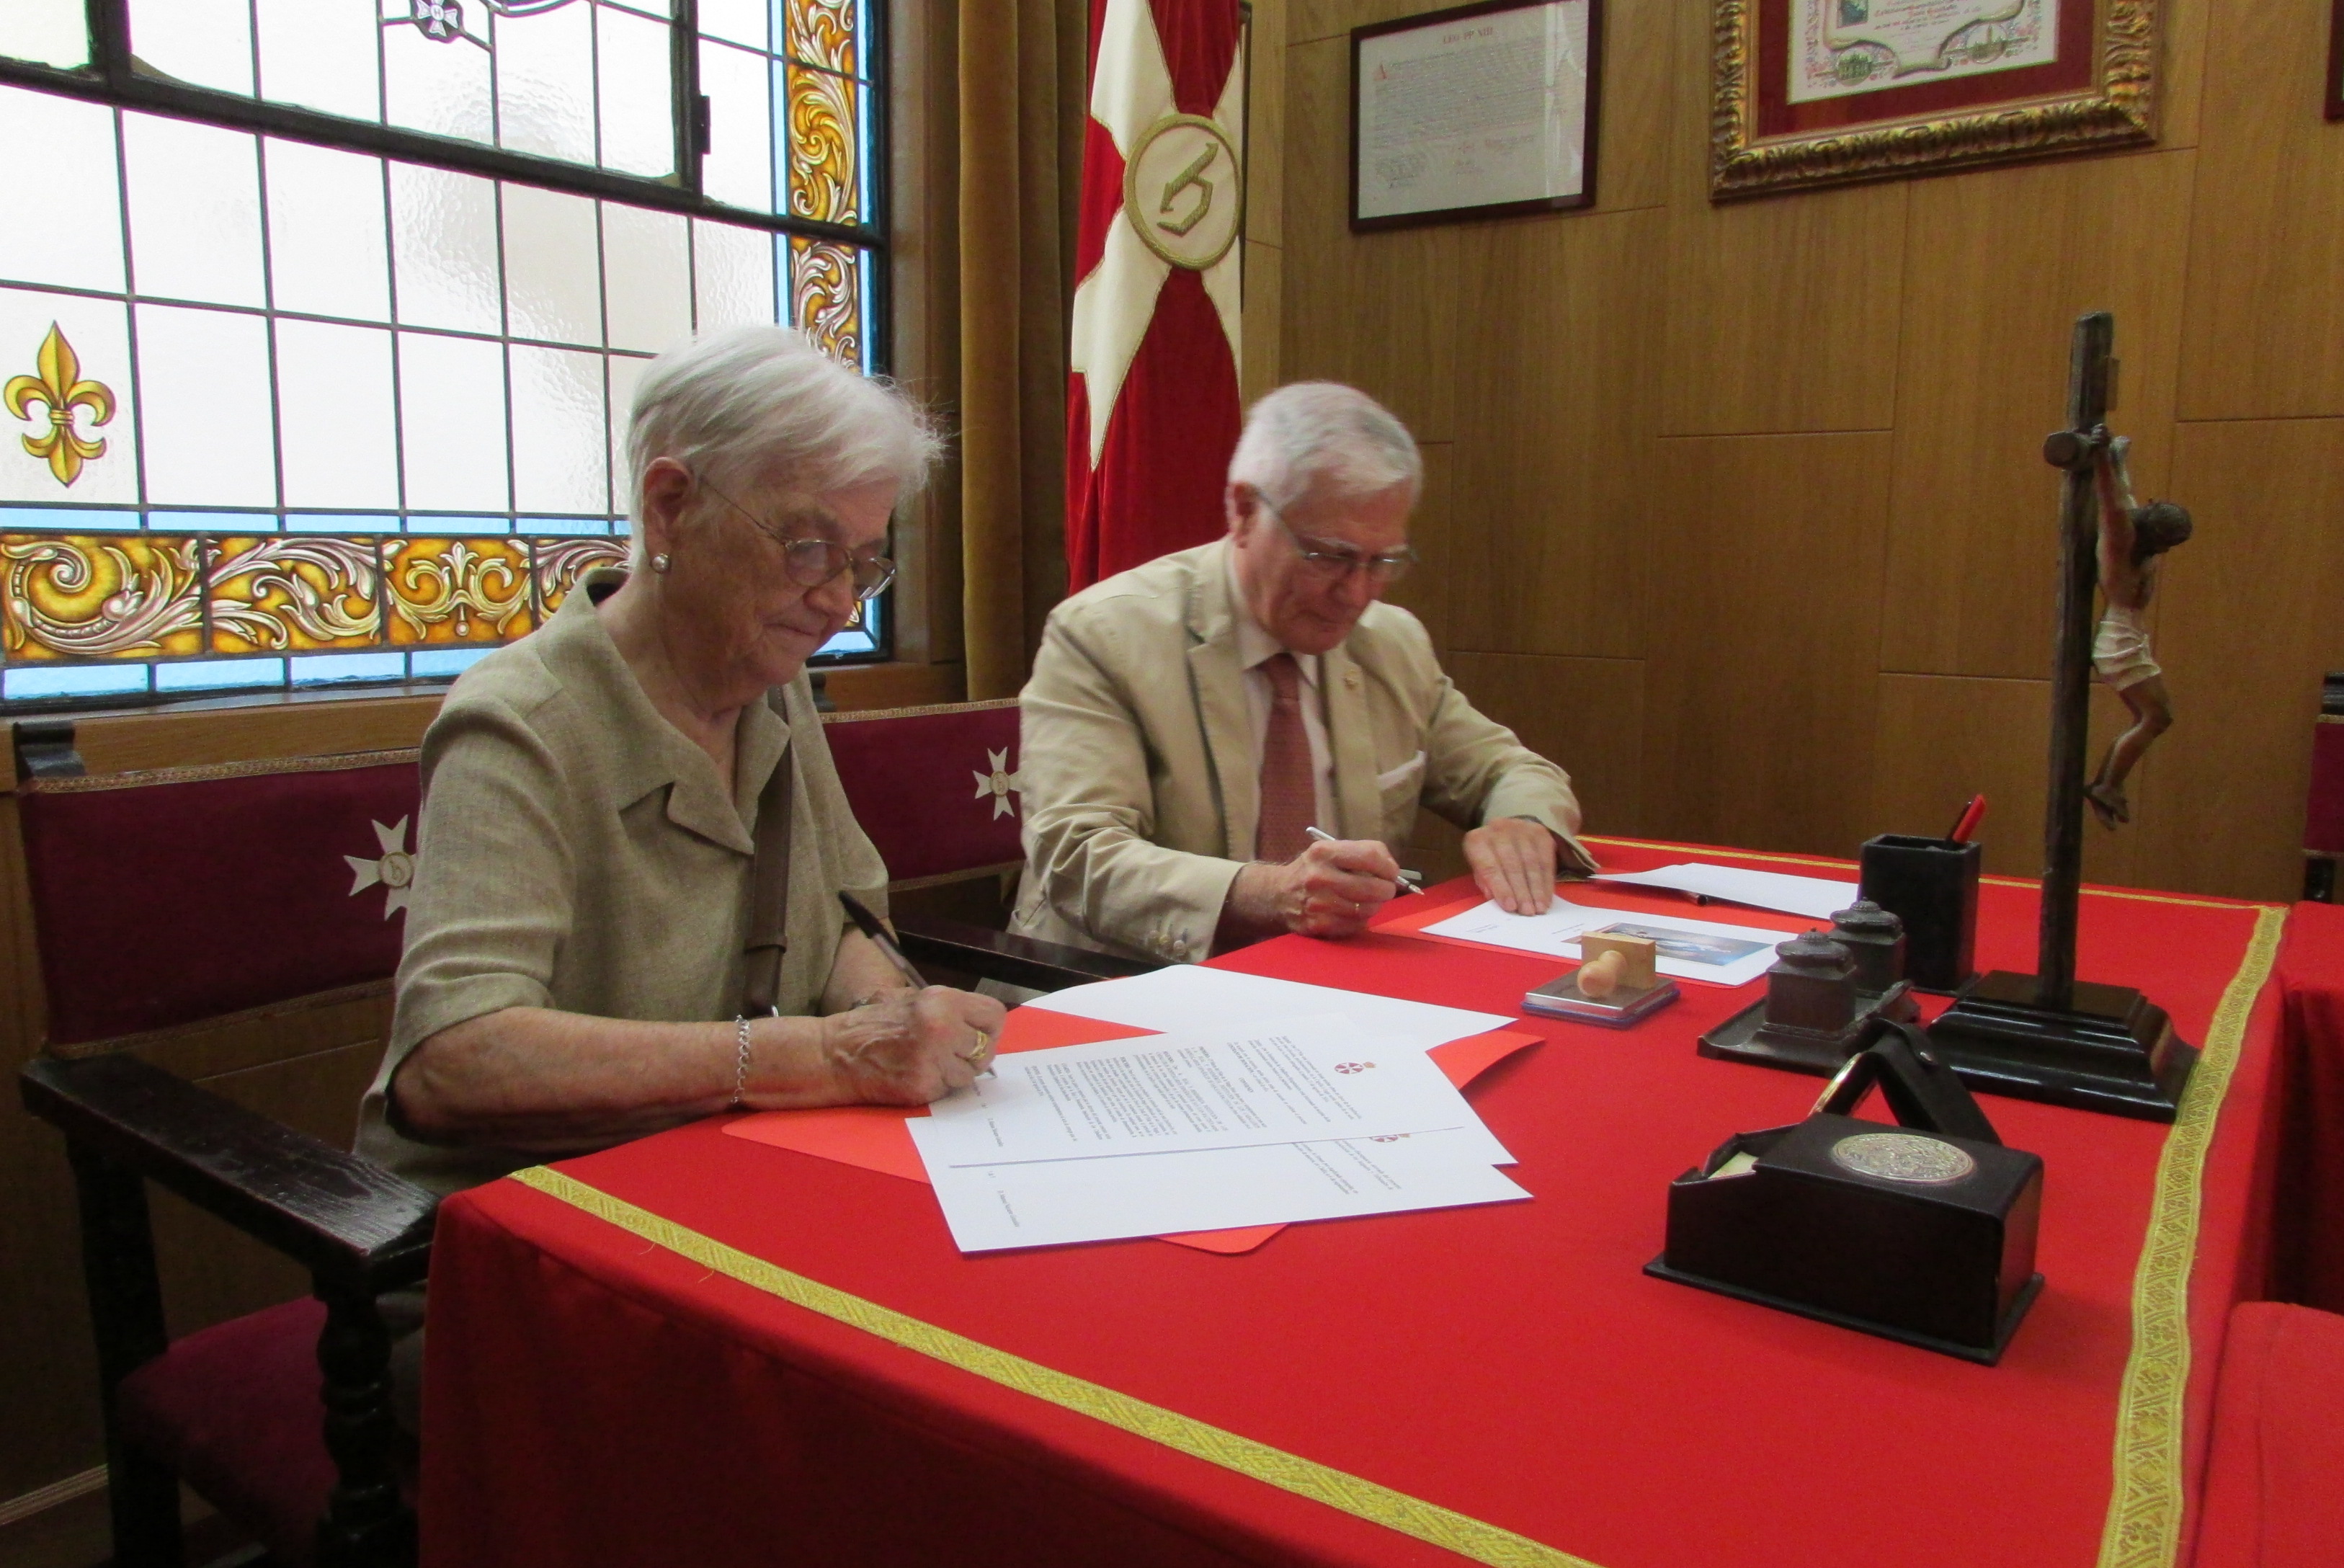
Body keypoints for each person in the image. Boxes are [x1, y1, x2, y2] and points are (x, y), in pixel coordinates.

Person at [355, 329, 1005, 1407]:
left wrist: (901, 1017)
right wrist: (827, 1059)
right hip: (523, 1252)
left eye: (862, 560)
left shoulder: (774, 683)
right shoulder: (518, 725)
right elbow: (453, 1060)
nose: (842, 602)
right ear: (668, 508)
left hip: (734, 1196)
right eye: (808, 548)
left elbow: (841, 918)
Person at [1010, 381, 1587, 966]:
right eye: (1329, 557)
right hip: (1122, 987)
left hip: (1335, 990)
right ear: (1243, 512)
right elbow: (1077, 857)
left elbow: (1507, 769)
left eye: (1383, 562)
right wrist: (1269, 894)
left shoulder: (1391, 643)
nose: (1357, 594)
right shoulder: (1104, 635)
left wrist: (1523, 823)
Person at [2085, 432, 2191, 829]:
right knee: (2157, 716)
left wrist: (2117, 458)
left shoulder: (2137, 536)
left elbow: (2124, 492)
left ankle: (2108, 783)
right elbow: (2112, 500)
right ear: (2154, 532)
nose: (2164, 551)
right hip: (2120, 643)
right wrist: (2099, 459)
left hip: (2129, 637)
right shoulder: (2122, 539)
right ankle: (2107, 784)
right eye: (2166, 542)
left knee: (2154, 716)